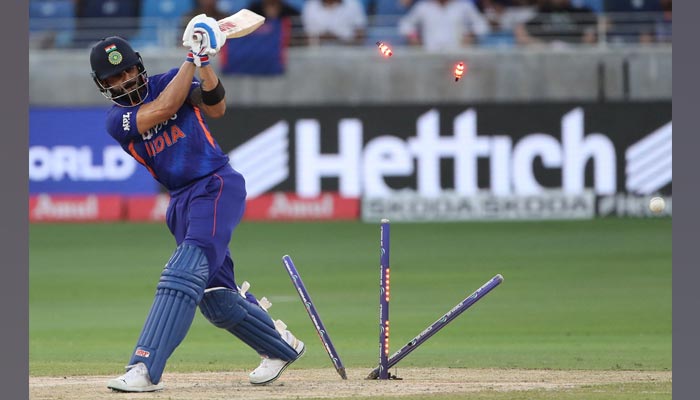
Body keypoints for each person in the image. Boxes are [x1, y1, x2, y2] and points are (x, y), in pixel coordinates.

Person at [89, 14, 305, 393]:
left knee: (182, 273)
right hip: (180, 204)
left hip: (216, 185)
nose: (123, 82)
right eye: (112, 79)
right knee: (215, 298)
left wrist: (204, 64)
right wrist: (193, 55)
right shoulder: (116, 119)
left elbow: (216, 106)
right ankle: (278, 345)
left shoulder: (169, 78)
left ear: (138, 67)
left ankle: (144, 367)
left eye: (126, 72)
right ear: (103, 86)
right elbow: (161, 109)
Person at [398, 0, 491, 51]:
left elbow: (482, 25)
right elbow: (405, 24)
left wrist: (471, 35)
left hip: (458, 56)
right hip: (430, 55)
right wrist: (413, 36)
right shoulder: (423, 6)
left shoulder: (464, 5)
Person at [301, 0, 368, 45]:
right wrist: (324, 38)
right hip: (317, 55)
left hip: (348, 53)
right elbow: (306, 37)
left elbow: (361, 35)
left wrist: (341, 41)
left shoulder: (353, 4)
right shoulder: (311, 6)